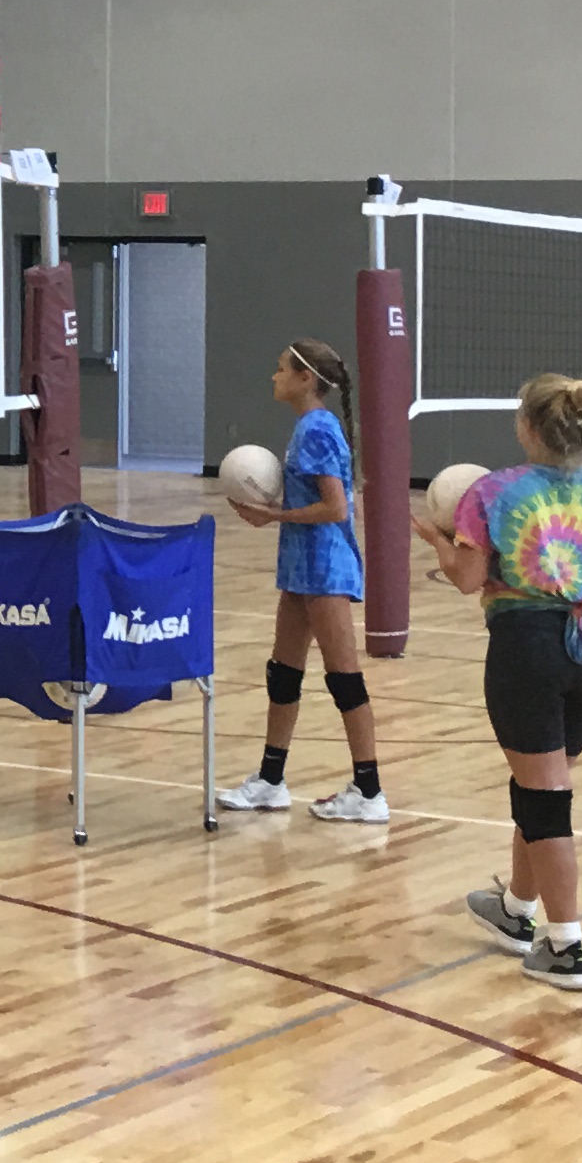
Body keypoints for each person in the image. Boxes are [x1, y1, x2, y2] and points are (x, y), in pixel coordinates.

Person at [425, 370, 582, 996]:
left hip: (526, 644)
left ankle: (567, 946)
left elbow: (468, 579)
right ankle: (516, 909)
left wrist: (443, 544)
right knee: (541, 782)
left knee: (546, 795)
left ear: (527, 427)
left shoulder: (493, 492)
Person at [216, 339, 388, 824]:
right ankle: (271, 781)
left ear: (305, 378)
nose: (274, 377)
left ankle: (369, 791)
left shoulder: (317, 428)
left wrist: (273, 515)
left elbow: (335, 508)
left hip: (325, 566)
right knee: (283, 672)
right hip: (300, 564)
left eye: (281, 369)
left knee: (344, 678)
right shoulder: (307, 427)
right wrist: (276, 512)